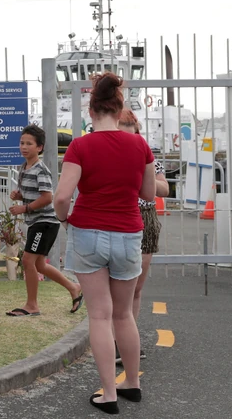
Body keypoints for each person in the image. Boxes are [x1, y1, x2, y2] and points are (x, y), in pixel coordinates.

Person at [53, 73, 156, 414]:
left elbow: (63, 196)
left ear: (91, 109)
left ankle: (109, 393)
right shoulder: (140, 145)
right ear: (119, 106)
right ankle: (133, 383)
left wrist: (65, 218)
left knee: (99, 315)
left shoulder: (80, 146)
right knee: (124, 314)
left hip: (88, 233)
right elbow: (147, 193)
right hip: (129, 232)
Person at [7, 124, 84, 317]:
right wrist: (19, 195)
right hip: (36, 222)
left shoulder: (41, 170)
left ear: (39, 147)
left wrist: (24, 207)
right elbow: (33, 194)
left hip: (45, 222)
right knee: (39, 264)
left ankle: (32, 305)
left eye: (29, 144)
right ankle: (74, 288)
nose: (24, 147)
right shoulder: (23, 167)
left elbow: (47, 197)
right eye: (22, 143)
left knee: (27, 260)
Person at [116, 108, 170, 365]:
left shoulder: (149, 156)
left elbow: (164, 188)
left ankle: (129, 341)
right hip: (116, 216)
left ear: (138, 133)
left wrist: (143, 175)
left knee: (136, 286)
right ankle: (115, 338)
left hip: (145, 217)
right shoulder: (109, 153)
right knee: (113, 285)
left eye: (131, 135)